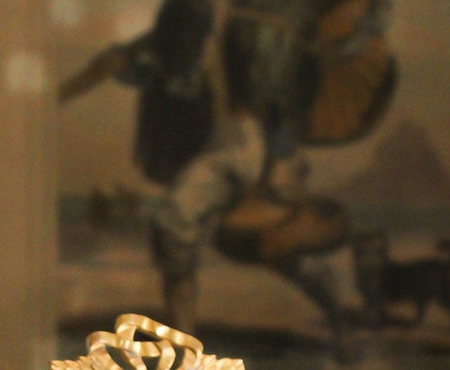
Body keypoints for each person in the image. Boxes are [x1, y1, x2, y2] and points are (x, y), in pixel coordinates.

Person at [61, 0, 395, 333]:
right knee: (182, 233)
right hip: (216, 146)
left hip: (251, 148)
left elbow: (292, 91)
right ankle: (186, 340)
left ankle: (334, 317)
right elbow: (154, 65)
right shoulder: (194, 14)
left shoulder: (270, 19)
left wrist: (278, 165)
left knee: (265, 246)